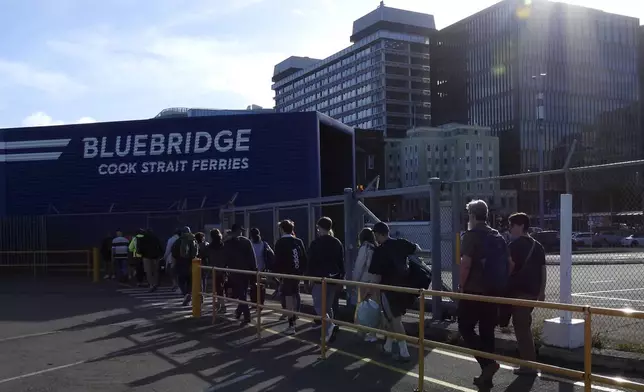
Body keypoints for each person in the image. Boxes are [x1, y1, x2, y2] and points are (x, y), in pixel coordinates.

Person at [459, 199, 508, 388]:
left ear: (471, 215)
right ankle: (487, 376)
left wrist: (462, 287)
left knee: (465, 327)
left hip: (474, 292)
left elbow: (465, 264)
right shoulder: (497, 236)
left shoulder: (471, 236)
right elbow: (509, 264)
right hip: (493, 291)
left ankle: (487, 364)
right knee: (487, 331)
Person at [368, 222, 419, 362]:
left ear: (378, 234)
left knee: (394, 319)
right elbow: (416, 249)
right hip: (405, 287)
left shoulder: (379, 251)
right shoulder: (401, 243)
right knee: (392, 317)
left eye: (376, 235)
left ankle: (404, 351)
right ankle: (388, 346)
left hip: (389, 290)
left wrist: (370, 291)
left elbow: (376, 276)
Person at [507, 212, 546, 376]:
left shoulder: (514, 246)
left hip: (519, 293)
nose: (509, 229)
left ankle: (529, 366)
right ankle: (528, 364)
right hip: (533, 293)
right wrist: (542, 291)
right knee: (523, 325)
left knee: (521, 328)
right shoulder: (538, 246)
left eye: (512, 225)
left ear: (521, 226)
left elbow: (509, 268)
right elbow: (543, 270)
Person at [307, 217, 344, 343]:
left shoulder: (316, 244)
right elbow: (341, 262)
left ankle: (330, 327)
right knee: (328, 307)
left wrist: (309, 278)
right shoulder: (337, 242)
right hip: (333, 278)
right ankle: (328, 332)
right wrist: (341, 278)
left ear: (320, 228)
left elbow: (311, 263)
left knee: (319, 305)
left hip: (319, 278)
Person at [274, 219, 308, 335]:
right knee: (295, 293)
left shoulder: (280, 243)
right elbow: (304, 258)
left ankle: (291, 323)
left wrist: (277, 275)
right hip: (297, 273)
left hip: (286, 273)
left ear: (282, 229)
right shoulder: (298, 241)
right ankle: (295, 315)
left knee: (288, 297)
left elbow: (277, 260)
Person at [352, 227, 381, 343]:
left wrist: (354, 281)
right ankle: (373, 333)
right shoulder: (376, 247)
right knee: (374, 308)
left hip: (365, 281)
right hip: (376, 282)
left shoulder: (365, 247)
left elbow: (359, 266)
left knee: (363, 307)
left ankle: (362, 330)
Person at [224, 223, 257, 325]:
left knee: (241, 293)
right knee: (243, 292)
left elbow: (225, 258)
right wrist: (254, 270)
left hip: (234, 271)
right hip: (246, 271)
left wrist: (225, 270)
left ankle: (245, 315)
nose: (241, 231)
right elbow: (252, 257)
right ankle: (240, 312)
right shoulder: (246, 242)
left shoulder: (228, 243)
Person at [172, 226, 199, 306]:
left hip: (181, 263)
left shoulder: (178, 241)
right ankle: (189, 293)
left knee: (181, 280)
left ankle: (185, 294)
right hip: (192, 263)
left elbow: (174, 253)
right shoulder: (194, 240)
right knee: (190, 281)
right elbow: (197, 252)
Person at [206, 228, 228, 312]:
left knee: (218, 288)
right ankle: (220, 304)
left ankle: (221, 305)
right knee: (221, 288)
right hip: (223, 269)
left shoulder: (210, 247)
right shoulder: (223, 246)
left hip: (214, 269)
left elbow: (206, 256)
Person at [138, 228, 164, 292]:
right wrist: (161, 254)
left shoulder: (143, 238)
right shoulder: (155, 237)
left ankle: (151, 285)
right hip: (156, 257)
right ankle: (155, 283)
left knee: (148, 271)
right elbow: (160, 246)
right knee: (155, 271)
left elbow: (140, 247)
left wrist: (141, 254)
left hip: (146, 257)